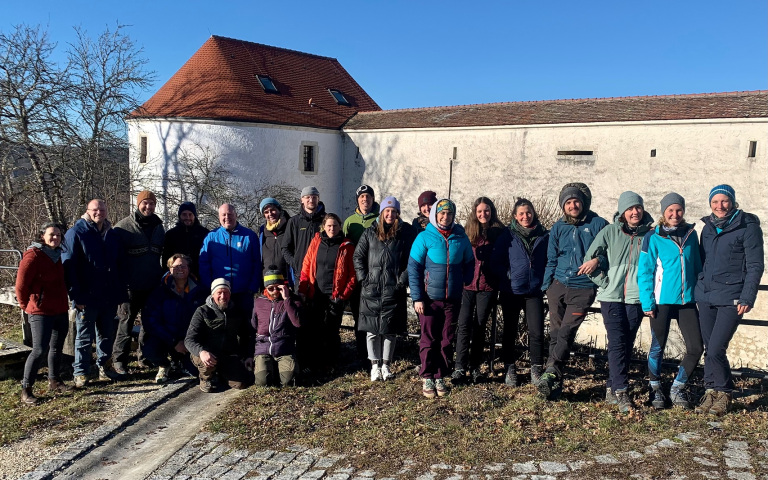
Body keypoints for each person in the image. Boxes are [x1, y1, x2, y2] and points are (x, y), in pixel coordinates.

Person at [694, 185, 764, 416]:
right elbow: (702, 260)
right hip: (705, 296)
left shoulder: (748, 228)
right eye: (715, 201)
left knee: (716, 348)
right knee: (709, 348)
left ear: (732, 202)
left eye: (724, 201)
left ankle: (724, 393)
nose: (719, 206)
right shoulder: (708, 228)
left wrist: (748, 295)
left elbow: (755, 266)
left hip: (732, 297)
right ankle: (710, 391)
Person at [584, 191, 655, 413]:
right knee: (617, 342)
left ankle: (611, 387)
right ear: (623, 212)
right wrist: (603, 282)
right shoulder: (610, 232)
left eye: (638, 208)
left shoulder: (651, 236)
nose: (635, 212)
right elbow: (589, 260)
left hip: (636, 298)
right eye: (630, 209)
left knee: (626, 343)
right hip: (611, 297)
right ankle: (622, 391)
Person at [538, 183, 608, 400]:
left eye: (576, 201)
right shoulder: (558, 227)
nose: (573, 205)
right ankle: (553, 386)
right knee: (556, 333)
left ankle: (550, 371)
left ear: (583, 202)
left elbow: (611, 251)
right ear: (563, 206)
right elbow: (551, 258)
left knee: (567, 331)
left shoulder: (598, 224)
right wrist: (547, 286)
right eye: (568, 202)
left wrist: (598, 260)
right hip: (558, 285)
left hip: (583, 287)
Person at [638, 192, 703, 409]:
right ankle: (655, 388)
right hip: (662, 300)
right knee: (658, 346)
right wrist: (647, 302)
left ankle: (677, 388)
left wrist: (701, 294)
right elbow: (645, 271)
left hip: (687, 301)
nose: (675, 214)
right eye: (670, 211)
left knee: (695, 347)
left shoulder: (691, 234)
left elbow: (697, 267)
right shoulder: (653, 236)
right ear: (664, 213)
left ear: (683, 211)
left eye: (678, 210)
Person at [408, 199, 474, 398]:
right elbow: (414, 268)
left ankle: (440, 375)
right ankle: (427, 374)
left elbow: (469, 263)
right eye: (442, 213)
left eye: (449, 214)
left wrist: (465, 280)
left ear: (454, 216)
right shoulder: (424, 237)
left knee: (447, 339)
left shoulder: (460, 238)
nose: (445, 217)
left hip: (452, 299)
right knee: (429, 339)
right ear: (435, 214)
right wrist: (417, 297)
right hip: (428, 299)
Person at [353, 196, 417, 381]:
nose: (390, 214)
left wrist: (401, 281)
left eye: (394, 211)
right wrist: (364, 278)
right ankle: (374, 366)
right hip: (371, 289)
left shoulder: (405, 234)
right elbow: (358, 257)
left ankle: (386, 365)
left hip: (393, 289)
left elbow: (411, 260)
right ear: (381, 213)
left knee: (390, 330)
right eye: (387, 211)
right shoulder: (369, 232)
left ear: (398, 213)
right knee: (372, 331)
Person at [62, 198, 121, 388]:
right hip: (86, 297)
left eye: (102, 210)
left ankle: (104, 367)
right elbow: (69, 266)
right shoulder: (76, 233)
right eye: (95, 210)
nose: (99, 213)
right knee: (84, 337)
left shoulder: (110, 233)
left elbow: (116, 264)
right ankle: (81, 373)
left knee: (106, 334)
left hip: (108, 295)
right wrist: (75, 296)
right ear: (87, 211)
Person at [490, 198, 549, 388]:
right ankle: (510, 368)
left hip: (534, 291)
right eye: (521, 213)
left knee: (537, 331)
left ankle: (536, 368)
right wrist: (508, 275)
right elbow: (495, 262)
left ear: (534, 213)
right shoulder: (507, 235)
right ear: (515, 216)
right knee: (510, 331)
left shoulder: (543, 234)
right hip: (511, 290)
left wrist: (544, 280)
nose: (525, 216)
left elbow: (550, 260)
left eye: (528, 212)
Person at [16, 223, 71, 404]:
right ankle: (26, 388)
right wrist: (27, 306)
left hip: (60, 309)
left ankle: (54, 380)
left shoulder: (58, 255)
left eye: (58, 235)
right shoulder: (33, 256)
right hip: (40, 311)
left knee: (56, 347)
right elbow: (21, 285)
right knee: (39, 350)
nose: (55, 238)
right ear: (42, 236)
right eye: (51, 235)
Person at [452, 197, 505, 385]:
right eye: (480, 211)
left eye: (487, 210)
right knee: (464, 325)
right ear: (475, 212)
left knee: (480, 327)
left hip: (488, 286)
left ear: (492, 211)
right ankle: (460, 367)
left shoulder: (500, 232)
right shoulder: (467, 232)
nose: (483, 214)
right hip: (467, 285)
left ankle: (475, 367)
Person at [112, 190, 166, 376]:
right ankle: (119, 361)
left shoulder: (159, 227)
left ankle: (144, 357)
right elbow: (114, 260)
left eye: (151, 203)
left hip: (151, 285)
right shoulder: (123, 228)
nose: (148, 207)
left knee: (148, 325)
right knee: (125, 324)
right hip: (129, 286)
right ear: (138, 204)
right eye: (145, 203)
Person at [298, 213, 357, 373]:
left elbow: (353, 274)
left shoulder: (346, 245)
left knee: (331, 331)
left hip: (335, 296)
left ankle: (330, 363)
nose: (332, 229)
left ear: (340, 226)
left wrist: (343, 295)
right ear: (323, 226)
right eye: (329, 226)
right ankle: (315, 362)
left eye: (335, 225)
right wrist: (303, 289)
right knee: (315, 329)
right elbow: (306, 265)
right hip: (316, 294)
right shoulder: (316, 241)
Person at [142, 254, 207, 383]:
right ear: (169, 269)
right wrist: (174, 341)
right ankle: (164, 365)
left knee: (195, 372)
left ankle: (180, 363)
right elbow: (151, 321)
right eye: (176, 266)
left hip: (190, 339)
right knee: (149, 350)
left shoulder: (200, 291)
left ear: (189, 269)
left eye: (183, 266)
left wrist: (189, 341)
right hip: (167, 338)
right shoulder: (159, 292)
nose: (180, 269)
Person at [185, 278, 253, 392]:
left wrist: (247, 355)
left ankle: (221, 374)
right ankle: (206, 378)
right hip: (206, 353)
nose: (223, 296)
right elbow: (189, 339)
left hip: (227, 354)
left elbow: (245, 336)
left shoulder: (236, 311)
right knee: (207, 364)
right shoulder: (202, 311)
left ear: (230, 294)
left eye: (226, 292)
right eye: (219, 293)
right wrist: (201, 352)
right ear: (213, 294)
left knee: (242, 383)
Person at [199, 203, 261, 315]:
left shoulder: (249, 236)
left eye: (230, 214)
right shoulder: (211, 237)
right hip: (220, 294)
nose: (227, 217)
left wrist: (253, 287)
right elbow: (204, 264)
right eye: (223, 215)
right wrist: (210, 286)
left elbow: (257, 263)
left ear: (236, 215)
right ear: (219, 217)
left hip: (244, 292)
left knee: (246, 328)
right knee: (223, 327)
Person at [343, 185, 380, 362]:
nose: (365, 200)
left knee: (375, 314)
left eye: (368, 197)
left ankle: (377, 353)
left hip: (376, 275)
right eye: (362, 197)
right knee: (359, 315)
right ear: (357, 199)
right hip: (356, 275)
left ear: (373, 199)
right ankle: (361, 352)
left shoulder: (380, 219)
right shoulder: (350, 221)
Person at [252, 266, 302, 387]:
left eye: (278, 288)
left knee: (289, 382)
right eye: (271, 288)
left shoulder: (293, 301)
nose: (275, 291)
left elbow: (297, 323)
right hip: (264, 347)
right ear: (265, 288)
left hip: (284, 348)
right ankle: (269, 367)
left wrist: (286, 299)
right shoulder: (259, 302)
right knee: (263, 383)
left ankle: (281, 368)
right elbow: (253, 324)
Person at [282, 186, 326, 286]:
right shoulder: (294, 221)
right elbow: (285, 247)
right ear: (302, 200)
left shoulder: (326, 220)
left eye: (314, 197)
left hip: (322, 273)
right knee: (301, 301)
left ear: (318, 199)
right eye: (307, 197)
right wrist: (295, 263)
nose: (311, 200)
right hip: (301, 274)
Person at [161, 202, 209, 278]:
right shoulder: (171, 234)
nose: (187, 217)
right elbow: (166, 259)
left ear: (194, 216)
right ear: (180, 216)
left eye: (190, 214)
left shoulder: (204, 233)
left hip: (199, 276)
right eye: (184, 214)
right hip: (177, 277)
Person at [258, 197, 292, 283]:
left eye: (272, 210)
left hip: (287, 280)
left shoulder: (290, 226)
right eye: (266, 212)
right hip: (267, 281)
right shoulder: (262, 231)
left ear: (279, 210)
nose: (270, 214)